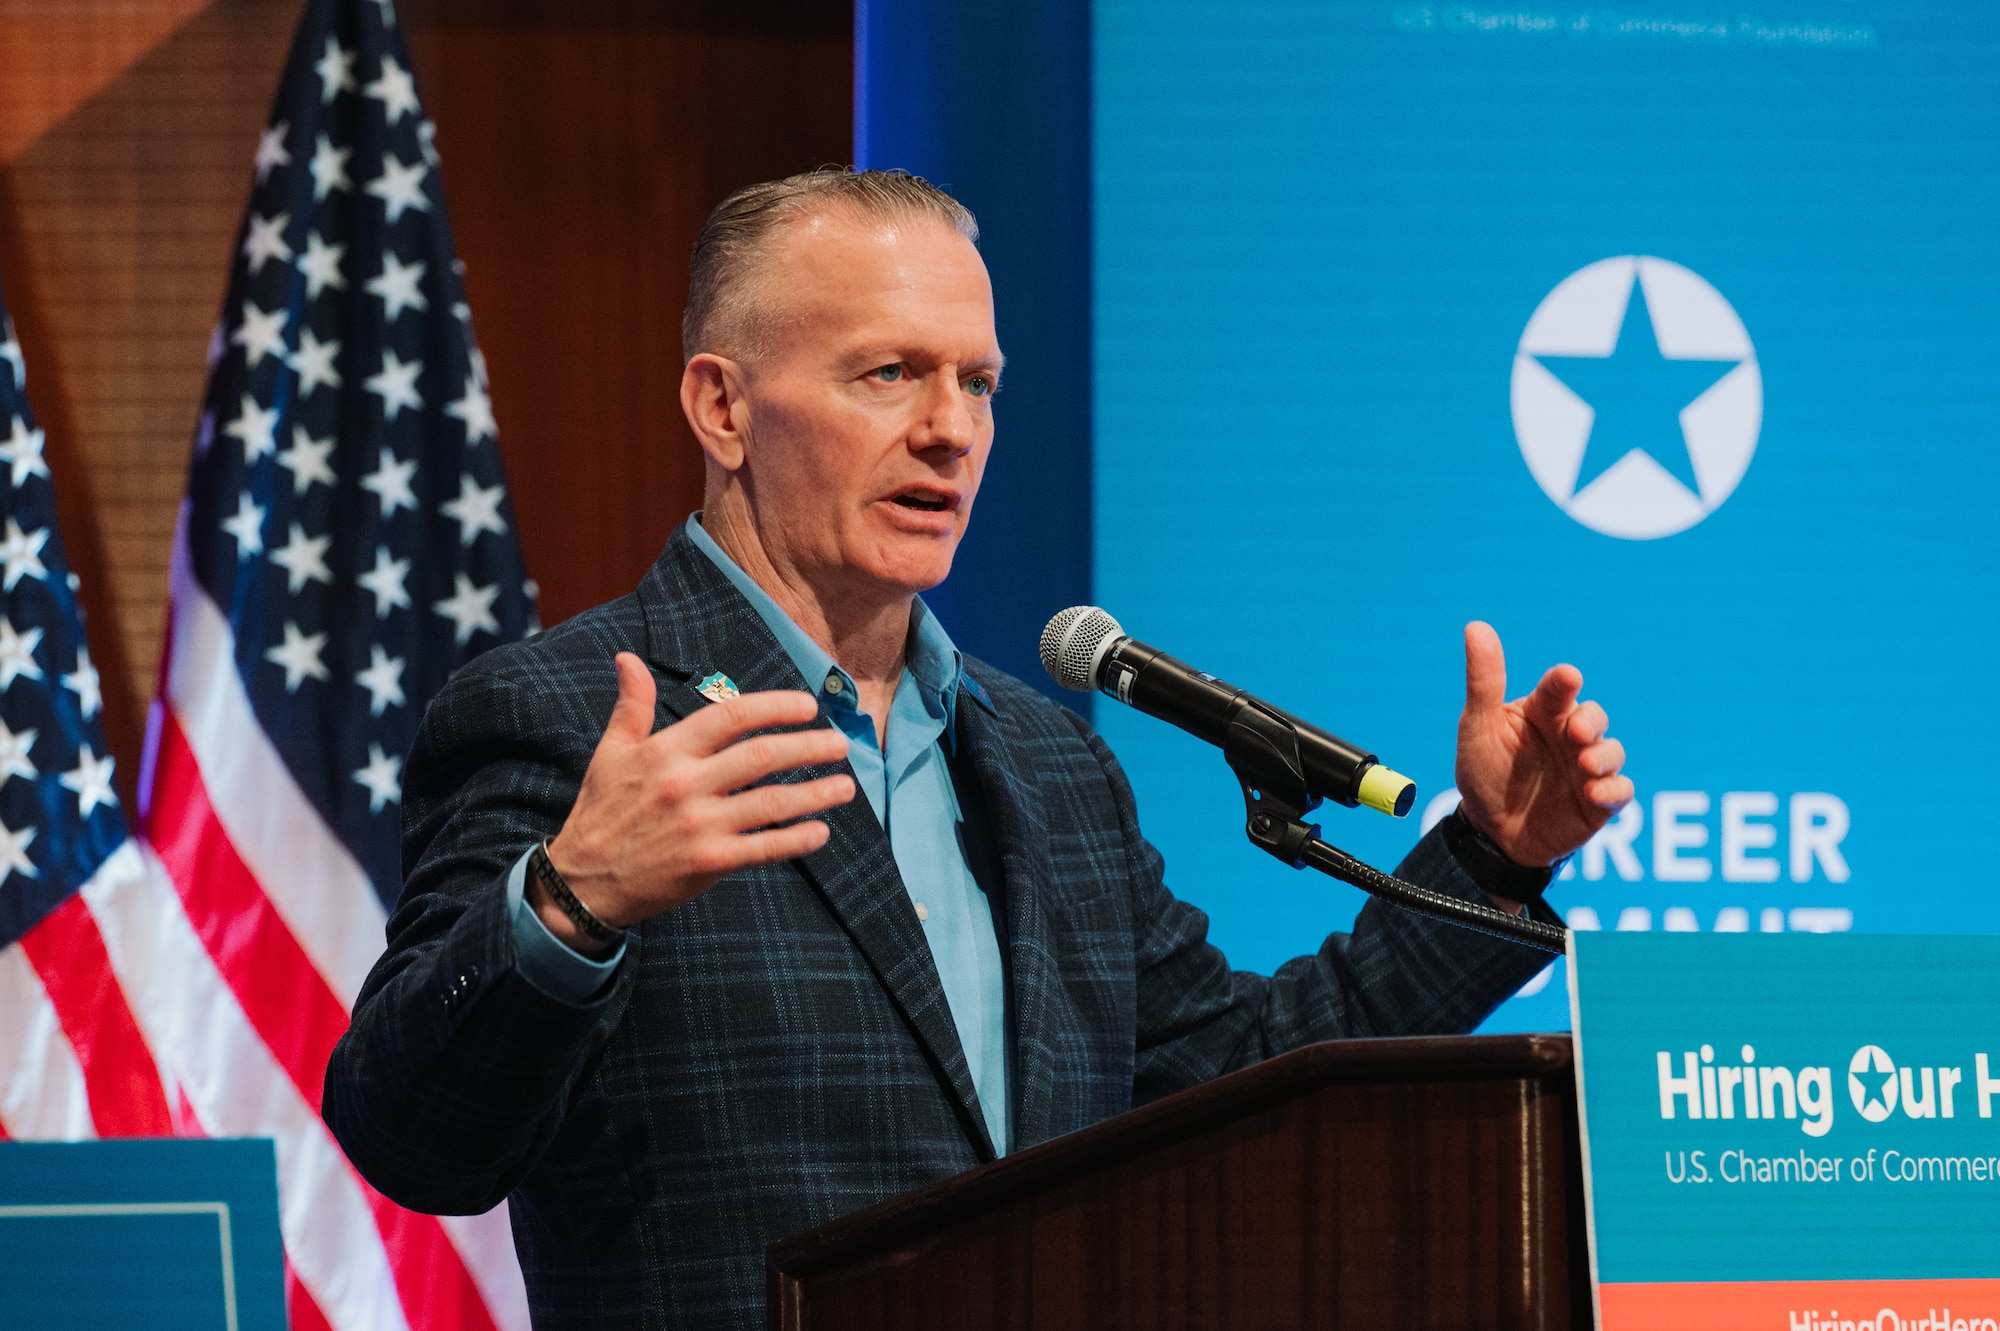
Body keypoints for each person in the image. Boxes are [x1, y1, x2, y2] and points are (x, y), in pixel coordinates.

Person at [322, 169, 1632, 1330]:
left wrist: (1491, 862)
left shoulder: (1051, 765)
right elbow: (412, 1141)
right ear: (722, 408)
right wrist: (571, 905)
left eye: (978, 381)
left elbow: (1237, 1083)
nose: (950, 429)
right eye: (887, 373)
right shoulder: (570, 714)